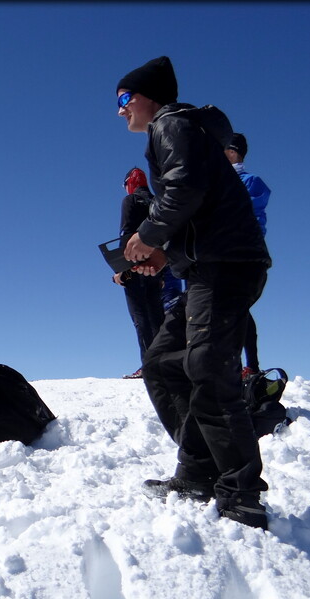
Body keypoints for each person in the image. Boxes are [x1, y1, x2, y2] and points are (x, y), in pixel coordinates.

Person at [116, 56, 273, 529]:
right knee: (163, 364)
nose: (120, 110)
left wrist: (149, 235)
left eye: (124, 99)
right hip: (208, 266)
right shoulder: (180, 129)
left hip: (226, 266)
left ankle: (241, 492)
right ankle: (197, 473)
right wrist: (169, 256)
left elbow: (185, 189)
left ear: (147, 97)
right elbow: (199, 202)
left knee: (207, 367)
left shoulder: (171, 124)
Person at [225, 132, 272, 379]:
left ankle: (248, 367)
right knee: (236, 310)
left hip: (242, 255)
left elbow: (245, 216)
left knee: (236, 308)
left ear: (232, 152)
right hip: (225, 255)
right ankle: (246, 366)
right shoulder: (221, 181)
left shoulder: (250, 181)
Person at [114, 167, 164, 379]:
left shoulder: (130, 201)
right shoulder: (156, 201)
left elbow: (126, 234)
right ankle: (163, 362)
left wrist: (120, 270)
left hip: (134, 265)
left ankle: (148, 365)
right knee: (157, 315)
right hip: (156, 265)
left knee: (140, 316)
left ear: (129, 183)